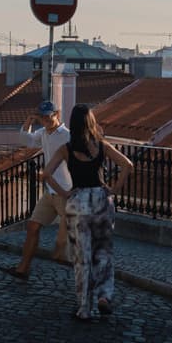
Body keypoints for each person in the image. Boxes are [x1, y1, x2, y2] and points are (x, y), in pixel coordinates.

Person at [43, 103, 133, 321]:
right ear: (90, 122)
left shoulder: (66, 149)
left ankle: (84, 307)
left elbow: (46, 174)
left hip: (78, 202)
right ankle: (104, 296)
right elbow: (128, 165)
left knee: (82, 256)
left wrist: (65, 193)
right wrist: (114, 189)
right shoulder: (101, 146)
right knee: (103, 252)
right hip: (101, 200)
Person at [1, 99, 72, 280]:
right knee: (33, 226)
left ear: (57, 115)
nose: (45, 120)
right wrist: (29, 120)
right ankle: (22, 269)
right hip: (50, 191)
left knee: (67, 241)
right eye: (42, 117)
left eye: (47, 117)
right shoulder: (43, 133)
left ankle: (83, 274)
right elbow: (26, 139)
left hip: (65, 192)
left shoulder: (67, 136)